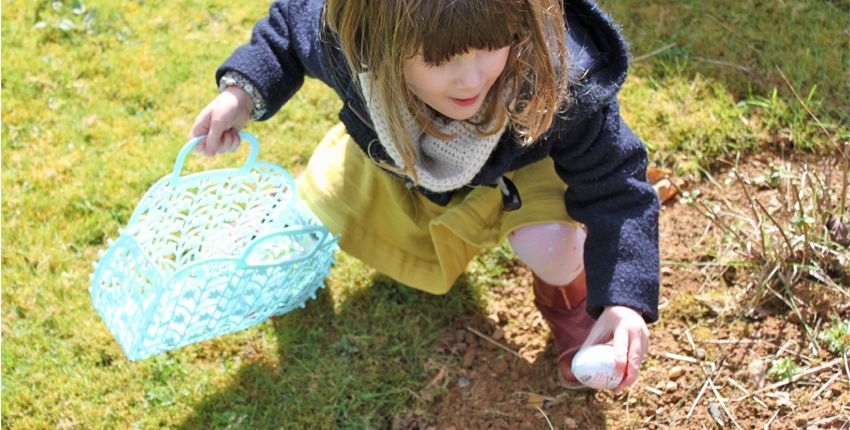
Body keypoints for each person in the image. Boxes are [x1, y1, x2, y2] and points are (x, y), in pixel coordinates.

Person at [188, 0, 659, 393]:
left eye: (490, 45)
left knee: (550, 244)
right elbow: (290, 27)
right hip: (401, 158)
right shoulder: (349, 40)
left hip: (524, 167)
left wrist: (621, 300)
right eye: (439, 59)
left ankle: (569, 301)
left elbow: (617, 188)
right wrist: (241, 94)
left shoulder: (560, 77)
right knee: (323, 202)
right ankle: (293, 226)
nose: (471, 79)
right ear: (376, 43)